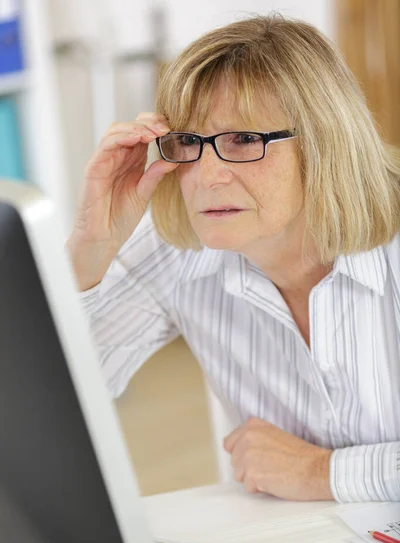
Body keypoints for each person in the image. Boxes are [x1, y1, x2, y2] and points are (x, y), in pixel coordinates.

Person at [66, 14, 400, 504]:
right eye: (189, 143)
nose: (207, 176)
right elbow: (43, 405)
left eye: (244, 139)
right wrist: (89, 249)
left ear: (324, 140)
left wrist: (319, 472)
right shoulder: (179, 250)